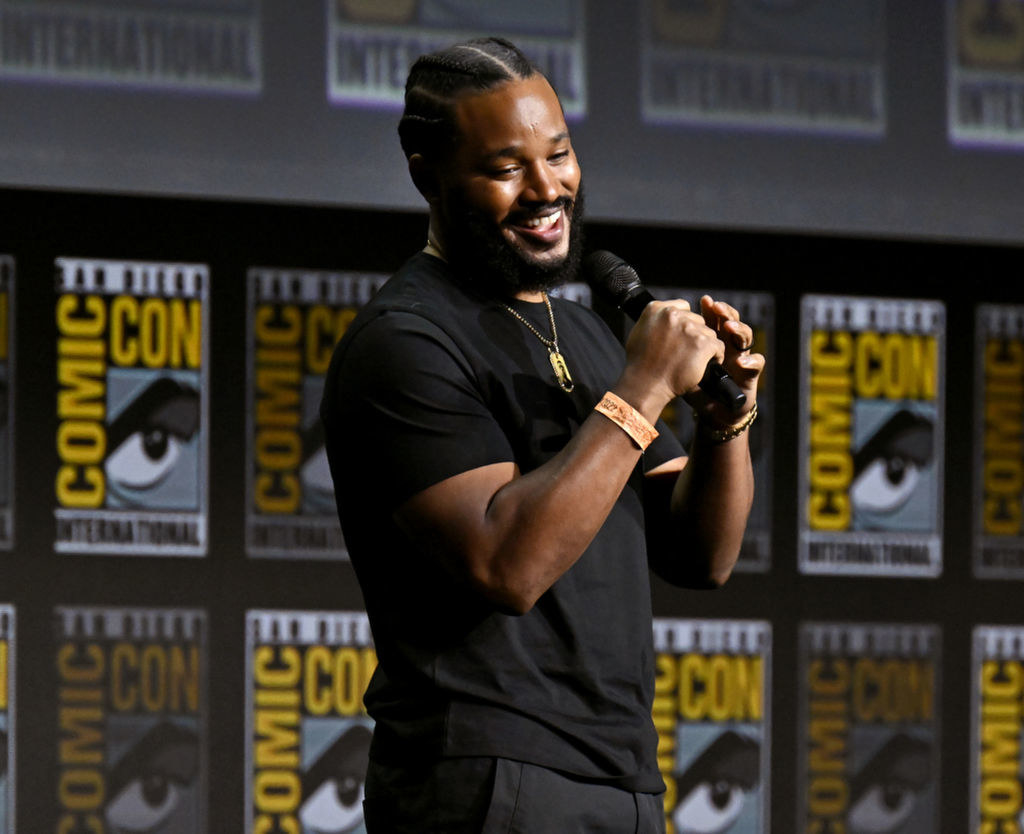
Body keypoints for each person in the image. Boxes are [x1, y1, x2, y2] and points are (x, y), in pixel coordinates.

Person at [320, 36, 764, 833]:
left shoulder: (589, 336)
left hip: (620, 773)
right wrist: (643, 389)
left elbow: (703, 555)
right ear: (426, 171)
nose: (546, 188)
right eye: (505, 168)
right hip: (488, 777)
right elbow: (506, 565)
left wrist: (723, 423)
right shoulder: (407, 341)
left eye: (558, 154)